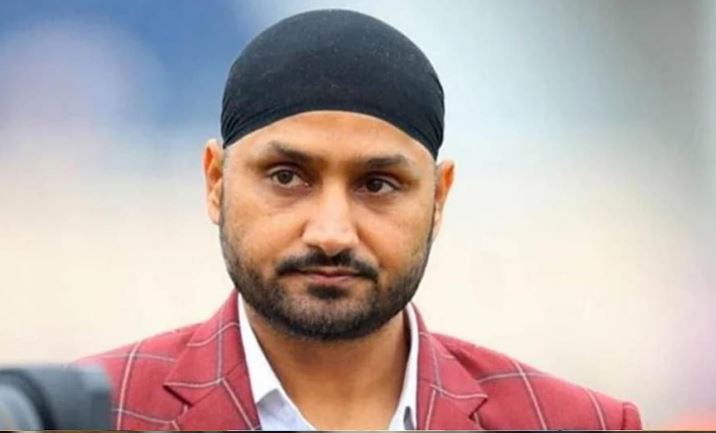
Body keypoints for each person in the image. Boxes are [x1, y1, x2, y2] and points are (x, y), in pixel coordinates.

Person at [81, 9, 642, 430]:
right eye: (287, 177)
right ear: (216, 182)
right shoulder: (90, 415)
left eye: (377, 185)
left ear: (438, 199)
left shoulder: (572, 422)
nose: (331, 233)